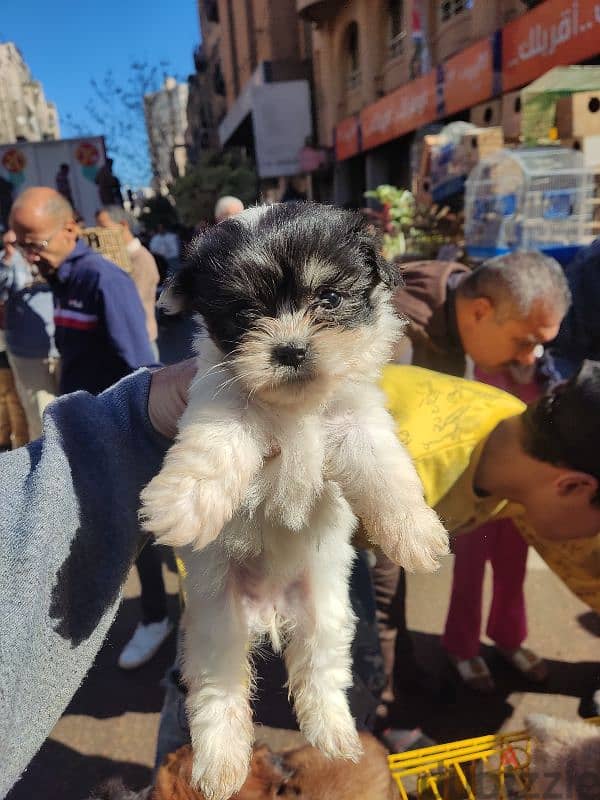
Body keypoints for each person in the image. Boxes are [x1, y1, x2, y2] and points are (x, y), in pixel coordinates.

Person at [2, 359, 600, 795]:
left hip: (329, 536)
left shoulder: (520, 432)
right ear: (574, 486)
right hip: (253, 539)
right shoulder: (401, 460)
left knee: (344, 676)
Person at [380, 251, 571, 707]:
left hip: (403, 493)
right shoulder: (391, 336)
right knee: (375, 601)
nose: (531, 357)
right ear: (481, 312)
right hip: (361, 493)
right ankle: (384, 714)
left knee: (390, 598)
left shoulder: (456, 312)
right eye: (524, 341)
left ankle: (398, 683)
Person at [10, 187, 156, 396]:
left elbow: (143, 371)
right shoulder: (59, 277)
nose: (30, 257)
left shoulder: (105, 280)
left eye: (36, 246)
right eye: (23, 247)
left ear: (69, 230)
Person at [391, 251, 569, 376]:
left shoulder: (451, 291)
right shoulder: (388, 347)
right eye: (524, 342)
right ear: (479, 312)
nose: (529, 360)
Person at [0, 231, 59, 441]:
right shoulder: (9, 259)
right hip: (27, 352)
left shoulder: (53, 251)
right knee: (42, 417)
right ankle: (47, 469)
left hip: (61, 346)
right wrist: (7, 256)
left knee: (72, 410)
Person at [96, 206, 160, 360]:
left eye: (103, 227)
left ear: (123, 225)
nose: (99, 233)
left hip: (140, 342)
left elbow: (131, 303)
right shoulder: (120, 258)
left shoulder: (141, 259)